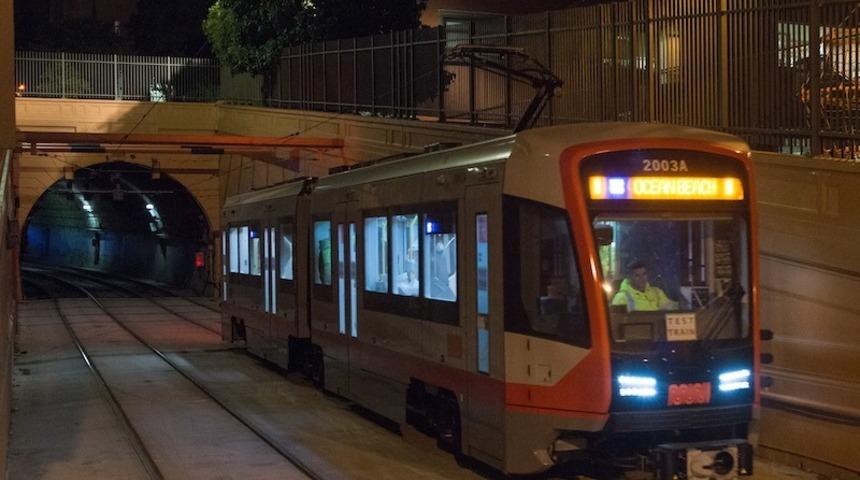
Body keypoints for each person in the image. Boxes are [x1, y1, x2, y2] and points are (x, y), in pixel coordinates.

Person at [611, 261, 677, 311]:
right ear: (630, 277)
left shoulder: (657, 293)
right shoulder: (622, 298)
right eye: (637, 275)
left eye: (644, 274)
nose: (642, 278)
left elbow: (672, 310)